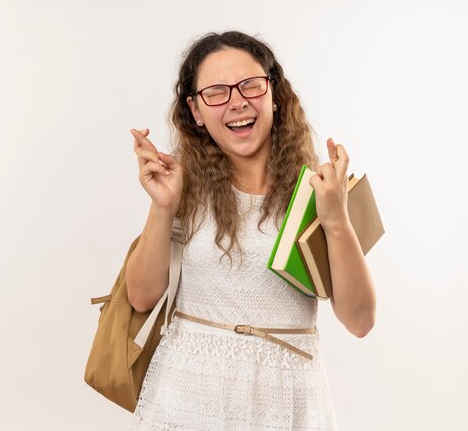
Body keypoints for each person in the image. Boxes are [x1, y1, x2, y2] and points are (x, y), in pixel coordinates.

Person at [125, 31, 376, 430]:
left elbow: (360, 321)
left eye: (250, 85)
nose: (237, 101)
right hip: (188, 396)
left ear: (274, 93)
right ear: (195, 110)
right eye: (217, 92)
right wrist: (163, 206)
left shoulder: (318, 192)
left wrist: (336, 220)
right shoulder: (184, 187)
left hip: (289, 400)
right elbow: (140, 297)